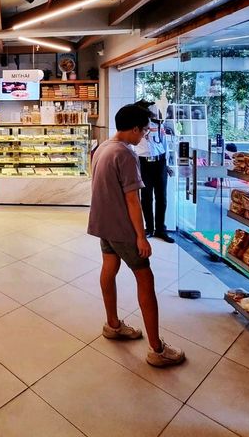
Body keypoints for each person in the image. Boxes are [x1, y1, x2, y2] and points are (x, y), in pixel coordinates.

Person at [88, 103, 185, 367]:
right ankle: (157, 348)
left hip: (103, 223)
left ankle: (113, 325)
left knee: (109, 266)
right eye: (143, 130)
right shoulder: (126, 155)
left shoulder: (102, 148)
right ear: (133, 129)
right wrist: (141, 237)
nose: (144, 135)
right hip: (121, 227)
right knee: (145, 277)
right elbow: (133, 200)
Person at [133, 100, 174, 243]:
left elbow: (165, 145)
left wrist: (167, 165)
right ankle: (149, 228)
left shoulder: (158, 125)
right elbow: (132, 147)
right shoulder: (136, 128)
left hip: (160, 162)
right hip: (143, 163)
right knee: (146, 197)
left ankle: (160, 229)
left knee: (161, 197)